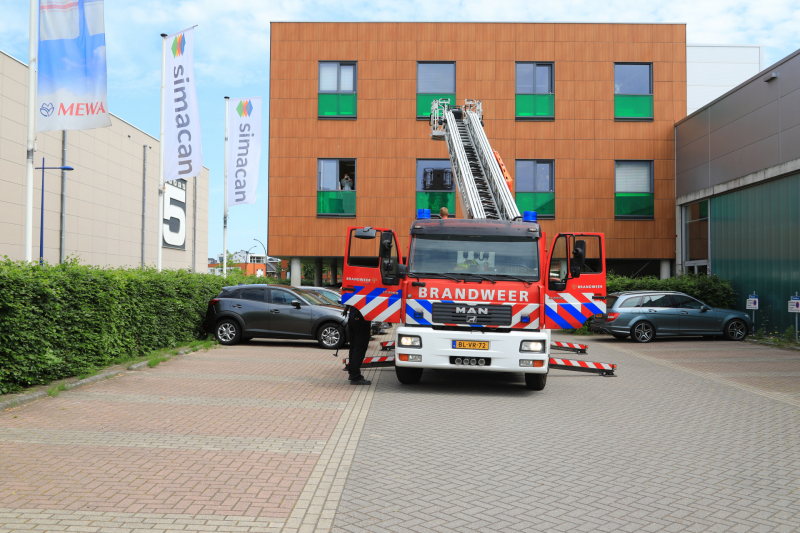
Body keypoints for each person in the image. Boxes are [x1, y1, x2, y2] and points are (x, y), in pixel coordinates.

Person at [345, 306, 371, 385]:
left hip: (352, 317)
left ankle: (352, 373)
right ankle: (355, 376)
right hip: (361, 319)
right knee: (359, 348)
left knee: (353, 347)